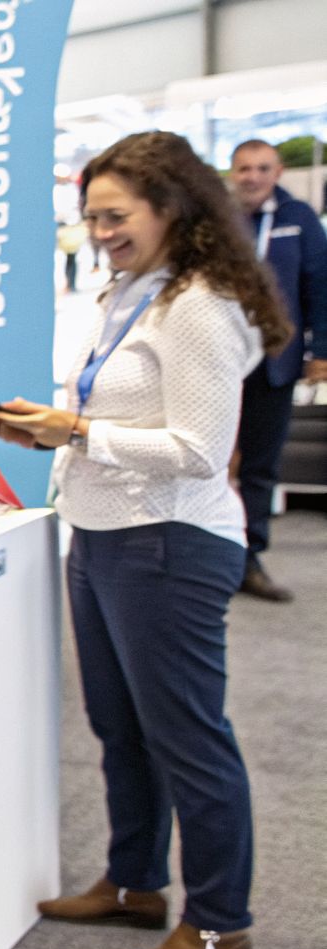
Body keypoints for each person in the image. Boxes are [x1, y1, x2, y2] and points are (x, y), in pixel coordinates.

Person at [0, 131, 293, 949]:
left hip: (171, 544)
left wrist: (76, 429)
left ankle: (222, 926)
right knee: (121, 729)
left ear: (171, 208)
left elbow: (197, 448)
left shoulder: (198, 304)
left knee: (189, 738)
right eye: (88, 218)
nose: (100, 231)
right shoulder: (133, 292)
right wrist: (48, 429)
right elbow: (125, 416)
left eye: (114, 216)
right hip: (106, 536)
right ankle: (134, 884)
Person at [226, 138, 327, 602]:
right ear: (232, 172)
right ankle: (212, 558)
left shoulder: (298, 218)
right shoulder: (218, 219)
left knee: (260, 466)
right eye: (244, 168)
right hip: (220, 361)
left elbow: (319, 285)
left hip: (274, 363)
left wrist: (320, 349)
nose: (252, 177)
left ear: (278, 171)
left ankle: (250, 558)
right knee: (205, 463)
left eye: (261, 168)